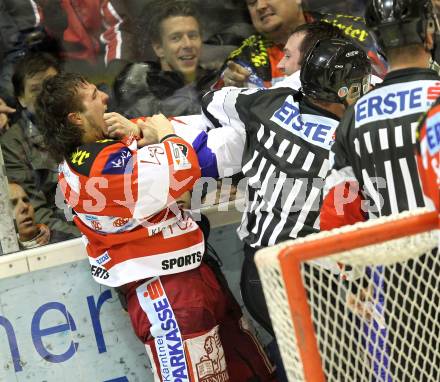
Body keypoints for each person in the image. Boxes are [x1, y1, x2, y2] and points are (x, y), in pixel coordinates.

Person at [35, 72, 276, 382]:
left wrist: (138, 131)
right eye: (94, 96)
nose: (105, 98)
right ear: (76, 118)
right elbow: (183, 170)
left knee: (255, 373)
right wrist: (165, 135)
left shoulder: (97, 153)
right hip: (168, 294)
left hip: (192, 276)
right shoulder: (99, 167)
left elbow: (167, 171)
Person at [320, 1, 440, 380]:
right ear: (429, 32)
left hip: (399, 282)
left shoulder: (353, 117)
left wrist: (353, 281)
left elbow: (339, 211)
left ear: (376, 45)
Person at [0, 52, 79, 237]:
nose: (46, 95)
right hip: (65, 238)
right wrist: (87, 238)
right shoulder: (13, 143)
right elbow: (37, 213)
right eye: (35, 90)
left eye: (51, 86)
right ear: (21, 98)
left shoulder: (81, 122)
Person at [219, 0, 386, 88]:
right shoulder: (242, 60)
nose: (260, 6)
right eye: (251, 2)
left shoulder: (358, 33)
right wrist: (227, 86)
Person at [113, 0, 218, 119]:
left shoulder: (216, 82)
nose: (188, 44)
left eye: (193, 36)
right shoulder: (140, 90)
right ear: (159, 48)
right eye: (176, 38)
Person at [8, 182, 76, 249]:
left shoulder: (66, 242)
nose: (25, 206)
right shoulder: (5, 252)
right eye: (13, 204)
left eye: (26, 200)